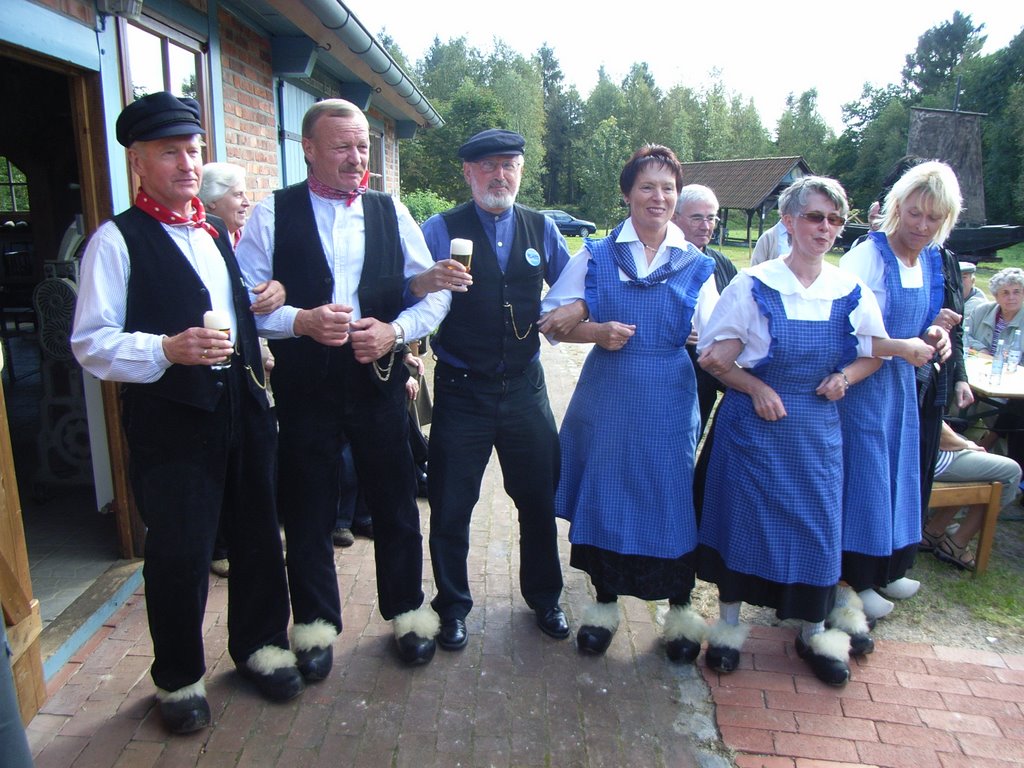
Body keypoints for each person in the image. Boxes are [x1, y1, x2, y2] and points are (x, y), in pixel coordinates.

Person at [71, 92, 304, 734]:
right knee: (179, 550)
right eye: (169, 152)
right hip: (172, 420)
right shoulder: (114, 242)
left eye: (193, 151)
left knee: (259, 530)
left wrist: (267, 298)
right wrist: (165, 349)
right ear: (138, 161)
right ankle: (178, 678)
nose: (185, 164)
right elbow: (91, 343)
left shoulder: (210, 232)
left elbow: (232, 308)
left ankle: (260, 645)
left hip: (242, 404)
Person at [234, 98, 450, 669]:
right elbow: (243, 307)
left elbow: (437, 292)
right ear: (308, 149)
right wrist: (298, 321)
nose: (357, 158)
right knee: (306, 510)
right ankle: (314, 628)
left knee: (396, 502)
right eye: (342, 147)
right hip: (306, 387)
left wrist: (395, 331)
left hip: (377, 381)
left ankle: (408, 614)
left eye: (362, 147)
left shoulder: (390, 211)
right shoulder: (271, 214)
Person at [696, 176, 887, 686]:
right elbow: (711, 356)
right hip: (753, 428)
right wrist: (754, 387)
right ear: (789, 221)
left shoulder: (849, 288)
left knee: (818, 528)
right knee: (742, 523)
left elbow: (875, 353)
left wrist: (845, 377)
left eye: (833, 220)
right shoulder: (753, 283)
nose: (824, 228)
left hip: (816, 431)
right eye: (814, 217)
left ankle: (816, 631)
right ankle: (730, 630)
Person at [541, 145, 719, 660]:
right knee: (608, 491)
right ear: (627, 195)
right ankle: (603, 607)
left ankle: (680, 610)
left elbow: (716, 340)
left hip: (668, 399)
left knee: (670, 494)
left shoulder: (696, 265)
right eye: (647, 186)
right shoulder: (596, 255)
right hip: (608, 399)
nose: (658, 197)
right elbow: (553, 325)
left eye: (668, 188)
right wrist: (594, 328)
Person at [417, 129, 578, 652]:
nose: (499, 175)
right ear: (468, 173)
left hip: (525, 388)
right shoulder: (440, 229)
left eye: (509, 164)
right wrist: (424, 280)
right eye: (487, 166)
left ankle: (545, 598)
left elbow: (573, 287)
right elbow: (403, 289)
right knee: (451, 502)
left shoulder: (541, 227)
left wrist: (569, 315)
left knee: (537, 497)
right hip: (462, 388)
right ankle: (453, 607)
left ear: (521, 171)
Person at [837, 161, 955, 621]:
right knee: (864, 475)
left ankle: (884, 567)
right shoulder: (869, 256)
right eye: (914, 214)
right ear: (896, 208)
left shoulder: (930, 258)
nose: (922, 226)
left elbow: (921, 321)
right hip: (864, 381)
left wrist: (934, 334)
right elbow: (841, 328)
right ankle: (853, 579)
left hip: (901, 384)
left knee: (895, 472)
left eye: (933, 218)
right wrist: (900, 346)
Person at [199, 161, 254, 578]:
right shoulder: (207, 238)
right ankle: (218, 544)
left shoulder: (229, 238)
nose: (245, 200)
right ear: (213, 200)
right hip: (197, 378)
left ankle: (240, 538)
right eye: (237, 193)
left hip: (241, 370)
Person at [671, 184, 738, 434]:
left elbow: (742, 314)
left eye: (711, 218)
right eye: (697, 217)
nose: (706, 225)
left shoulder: (721, 263)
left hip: (710, 372)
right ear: (675, 218)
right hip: (673, 370)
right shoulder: (662, 261)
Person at [921, 420, 1021, 570]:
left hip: (920, 450)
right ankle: (957, 545)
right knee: (1011, 472)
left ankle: (934, 531)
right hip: (925, 456)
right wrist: (966, 445)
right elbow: (936, 429)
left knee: (969, 449)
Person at [965, 267, 1024, 466]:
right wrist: (983, 352)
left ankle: (991, 449)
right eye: (1005, 293)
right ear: (996, 295)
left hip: (1008, 383)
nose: (1012, 297)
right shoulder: (982, 311)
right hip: (976, 374)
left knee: (1000, 406)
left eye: (1017, 292)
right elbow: (963, 336)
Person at [199, 161, 250, 245]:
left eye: (245, 194)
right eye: (238, 195)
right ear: (211, 200)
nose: (247, 203)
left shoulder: (251, 240)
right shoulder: (201, 242)